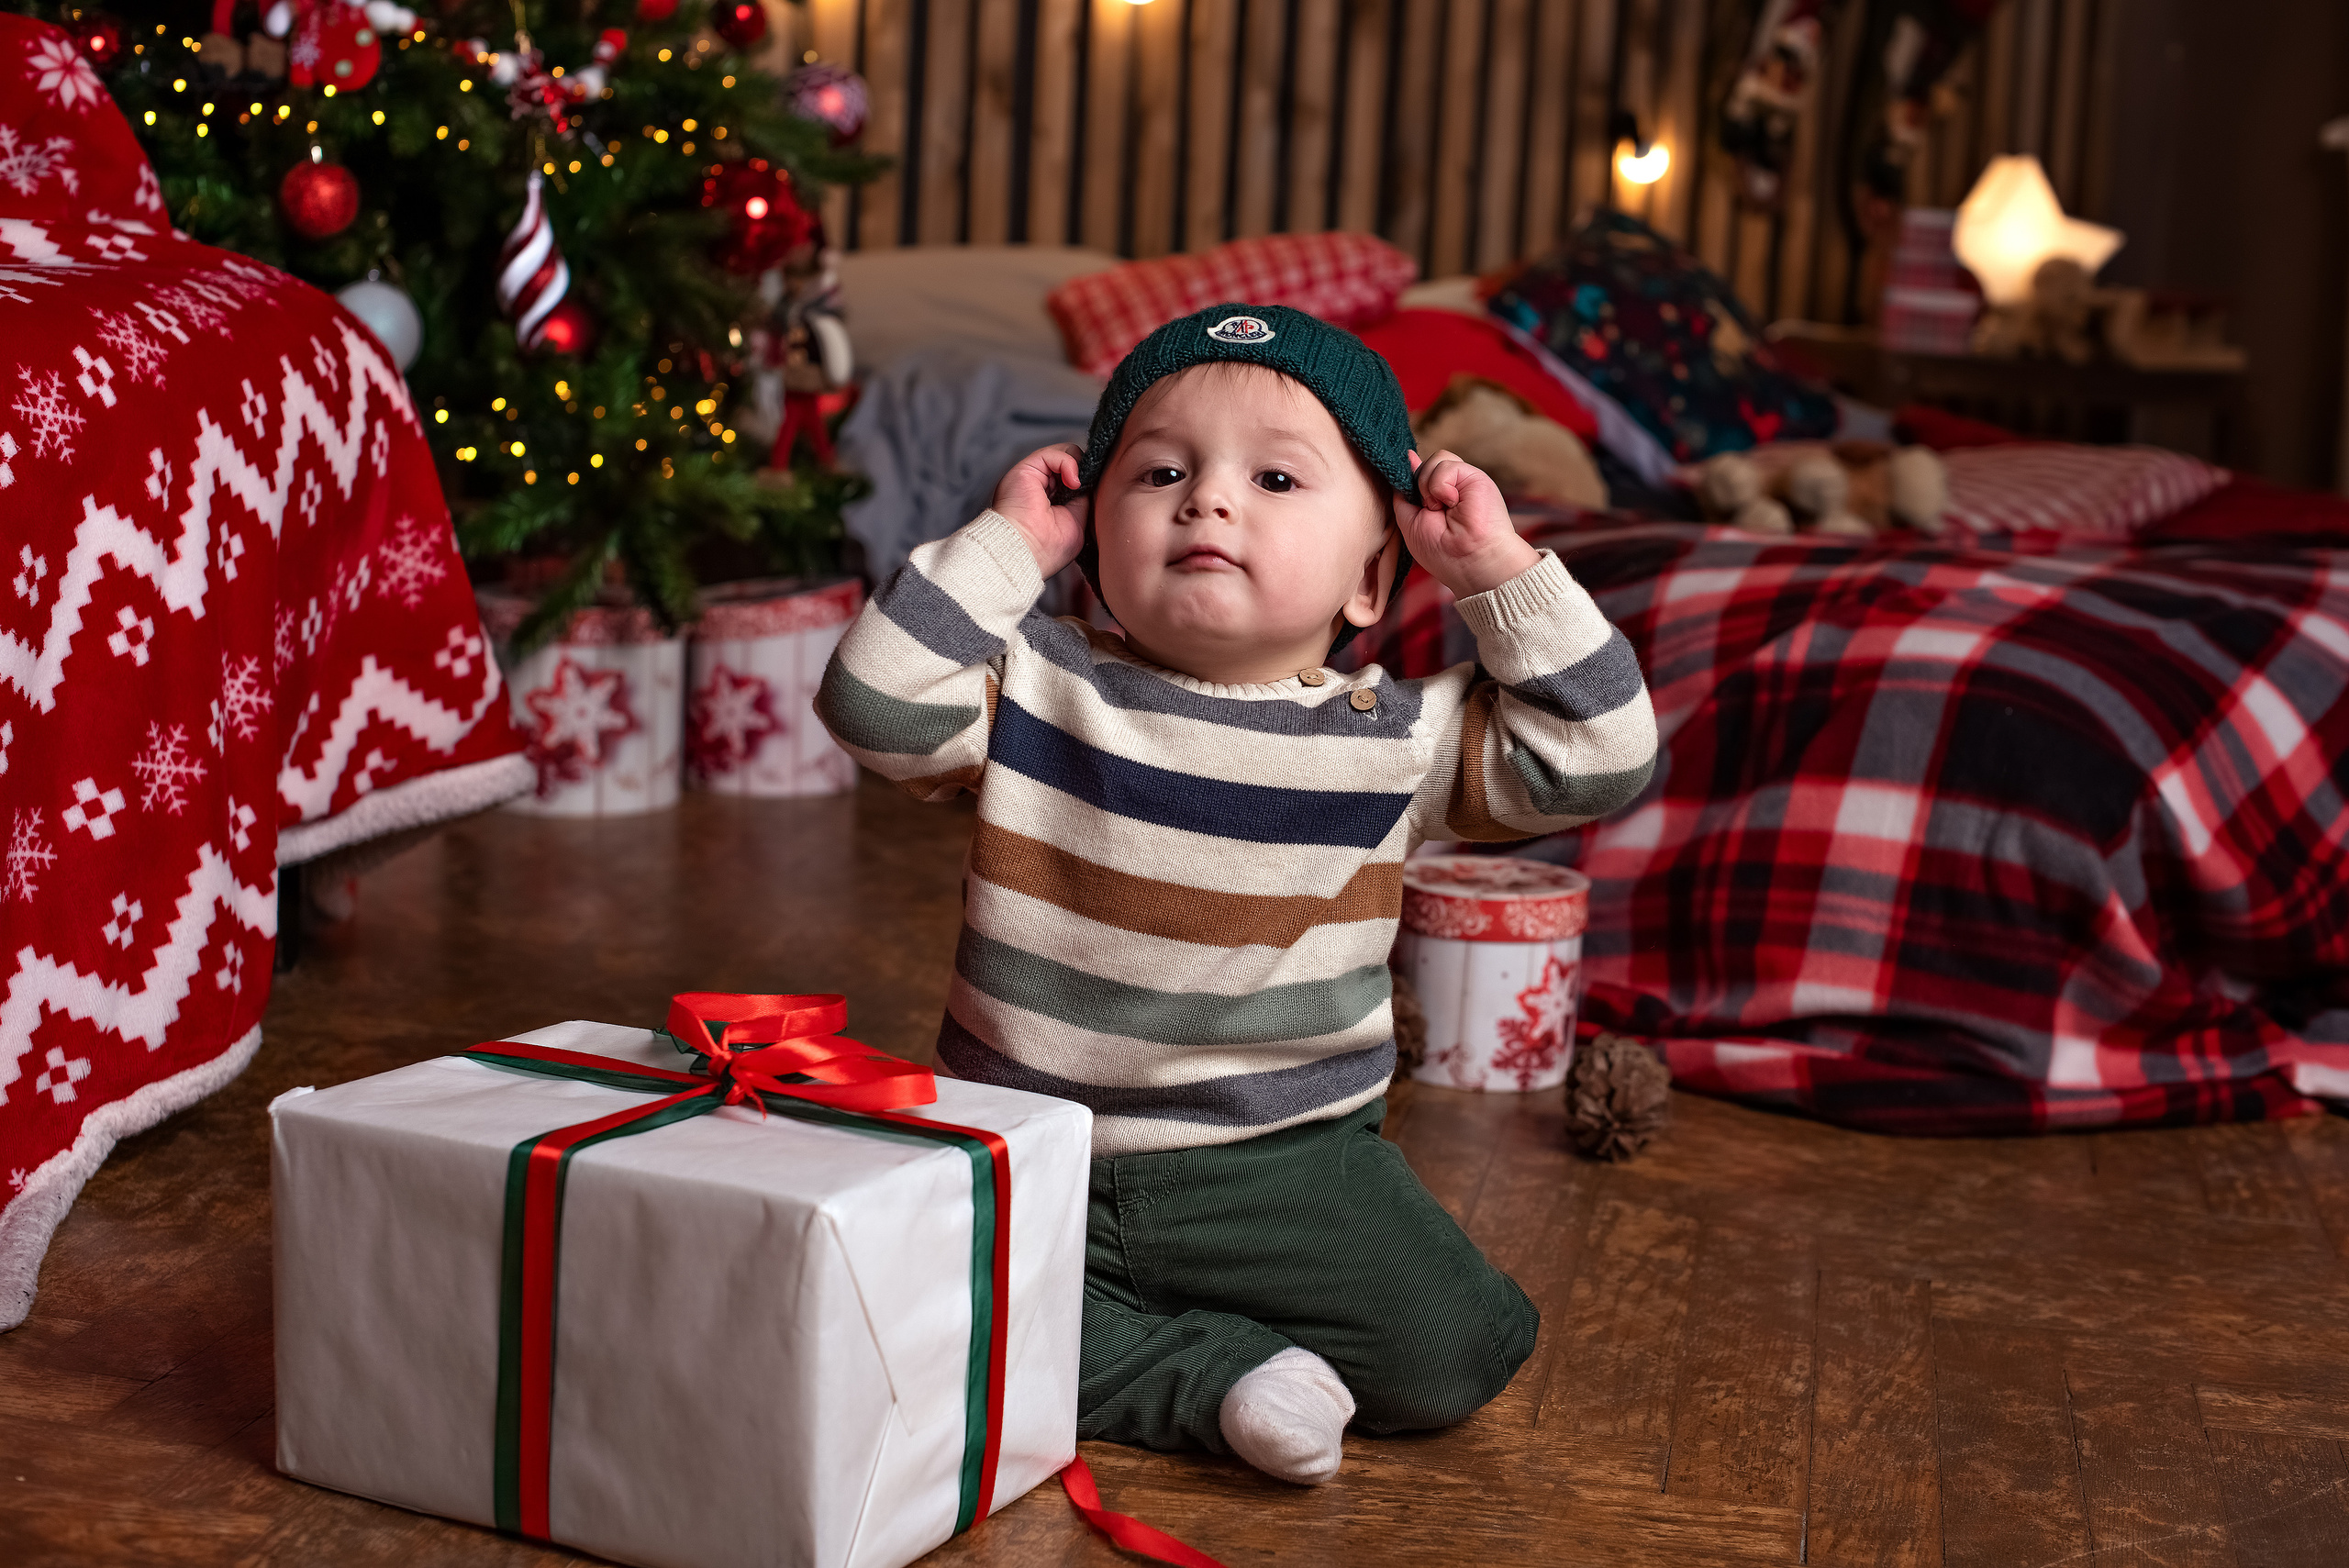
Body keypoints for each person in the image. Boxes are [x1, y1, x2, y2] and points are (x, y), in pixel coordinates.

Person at [817, 303, 1657, 1485]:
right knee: (883, 1324)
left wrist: (1497, 576)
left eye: (1275, 477)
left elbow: (1602, 756)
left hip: (1280, 1164)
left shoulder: (1399, 740)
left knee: (1459, 1348)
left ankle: (1124, 1328)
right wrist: (1008, 546)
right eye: (1160, 472)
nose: (1208, 499)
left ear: (1371, 578)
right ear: (1095, 545)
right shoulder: (1035, 687)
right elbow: (871, 699)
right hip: (1028, 1149)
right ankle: (1212, 1378)